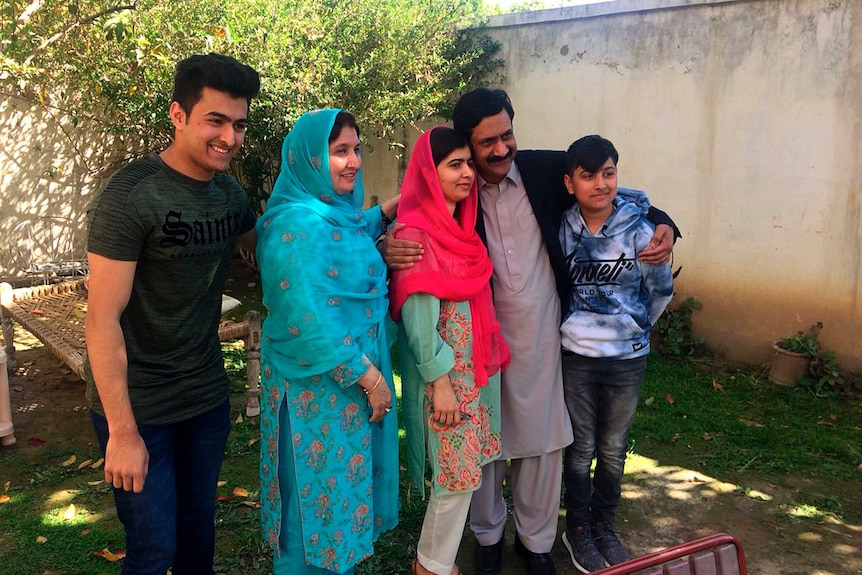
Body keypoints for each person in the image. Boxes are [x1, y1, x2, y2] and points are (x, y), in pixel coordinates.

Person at [383, 88, 678, 575]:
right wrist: (385, 242)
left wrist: (664, 222)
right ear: (467, 148)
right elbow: (413, 209)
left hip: (543, 332)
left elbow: (602, 183)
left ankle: (537, 541)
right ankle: (488, 535)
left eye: (507, 135)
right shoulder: (458, 186)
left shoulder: (544, 169)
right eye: (486, 143)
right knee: (486, 441)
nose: (500, 150)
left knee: (542, 439)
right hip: (479, 337)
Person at [84, 53, 260, 575]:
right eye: (216, 120)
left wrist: (369, 236)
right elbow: (102, 318)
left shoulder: (230, 196)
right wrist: (122, 431)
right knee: (152, 546)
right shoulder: (132, 195)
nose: (229, 137)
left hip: (203, 398)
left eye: (238, 123)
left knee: (196, 537)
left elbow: (282, 252)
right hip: (139, 407)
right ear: (178, 116)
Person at [255, 108, 400, 575]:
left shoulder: (335, 216)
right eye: (339, 151)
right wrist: (369, 376)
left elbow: (353, 229)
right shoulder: (291, 228)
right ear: (309, 158)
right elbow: (305, 319)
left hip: (346, 392)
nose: (353, 161)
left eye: (357, 150)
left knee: (342, 500)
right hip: (314, 395)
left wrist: (387, 212)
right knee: (311, 509)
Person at [389, 127, 511, 575]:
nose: (466, 174)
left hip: (472, 378)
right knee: (455, 478)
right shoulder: (416, 235)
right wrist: (440, 385)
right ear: (428, 171)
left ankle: (436, 563)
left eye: (467, 164)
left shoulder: (463, 234)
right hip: (444, 381)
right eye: (453, 165)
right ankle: (431, 567)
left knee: (462, 474)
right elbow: (419, 325)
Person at [557, 135, 673, 572]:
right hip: (577, 357)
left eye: (609, 173)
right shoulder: (562, 228)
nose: (601, 184)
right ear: (571, 183)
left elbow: (659, 291)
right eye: (589, 176)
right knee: (580, 444)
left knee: (612, 446)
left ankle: (605, 523)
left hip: (627, 359)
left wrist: (636, 328)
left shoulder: (643, 231)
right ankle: (579, 527)